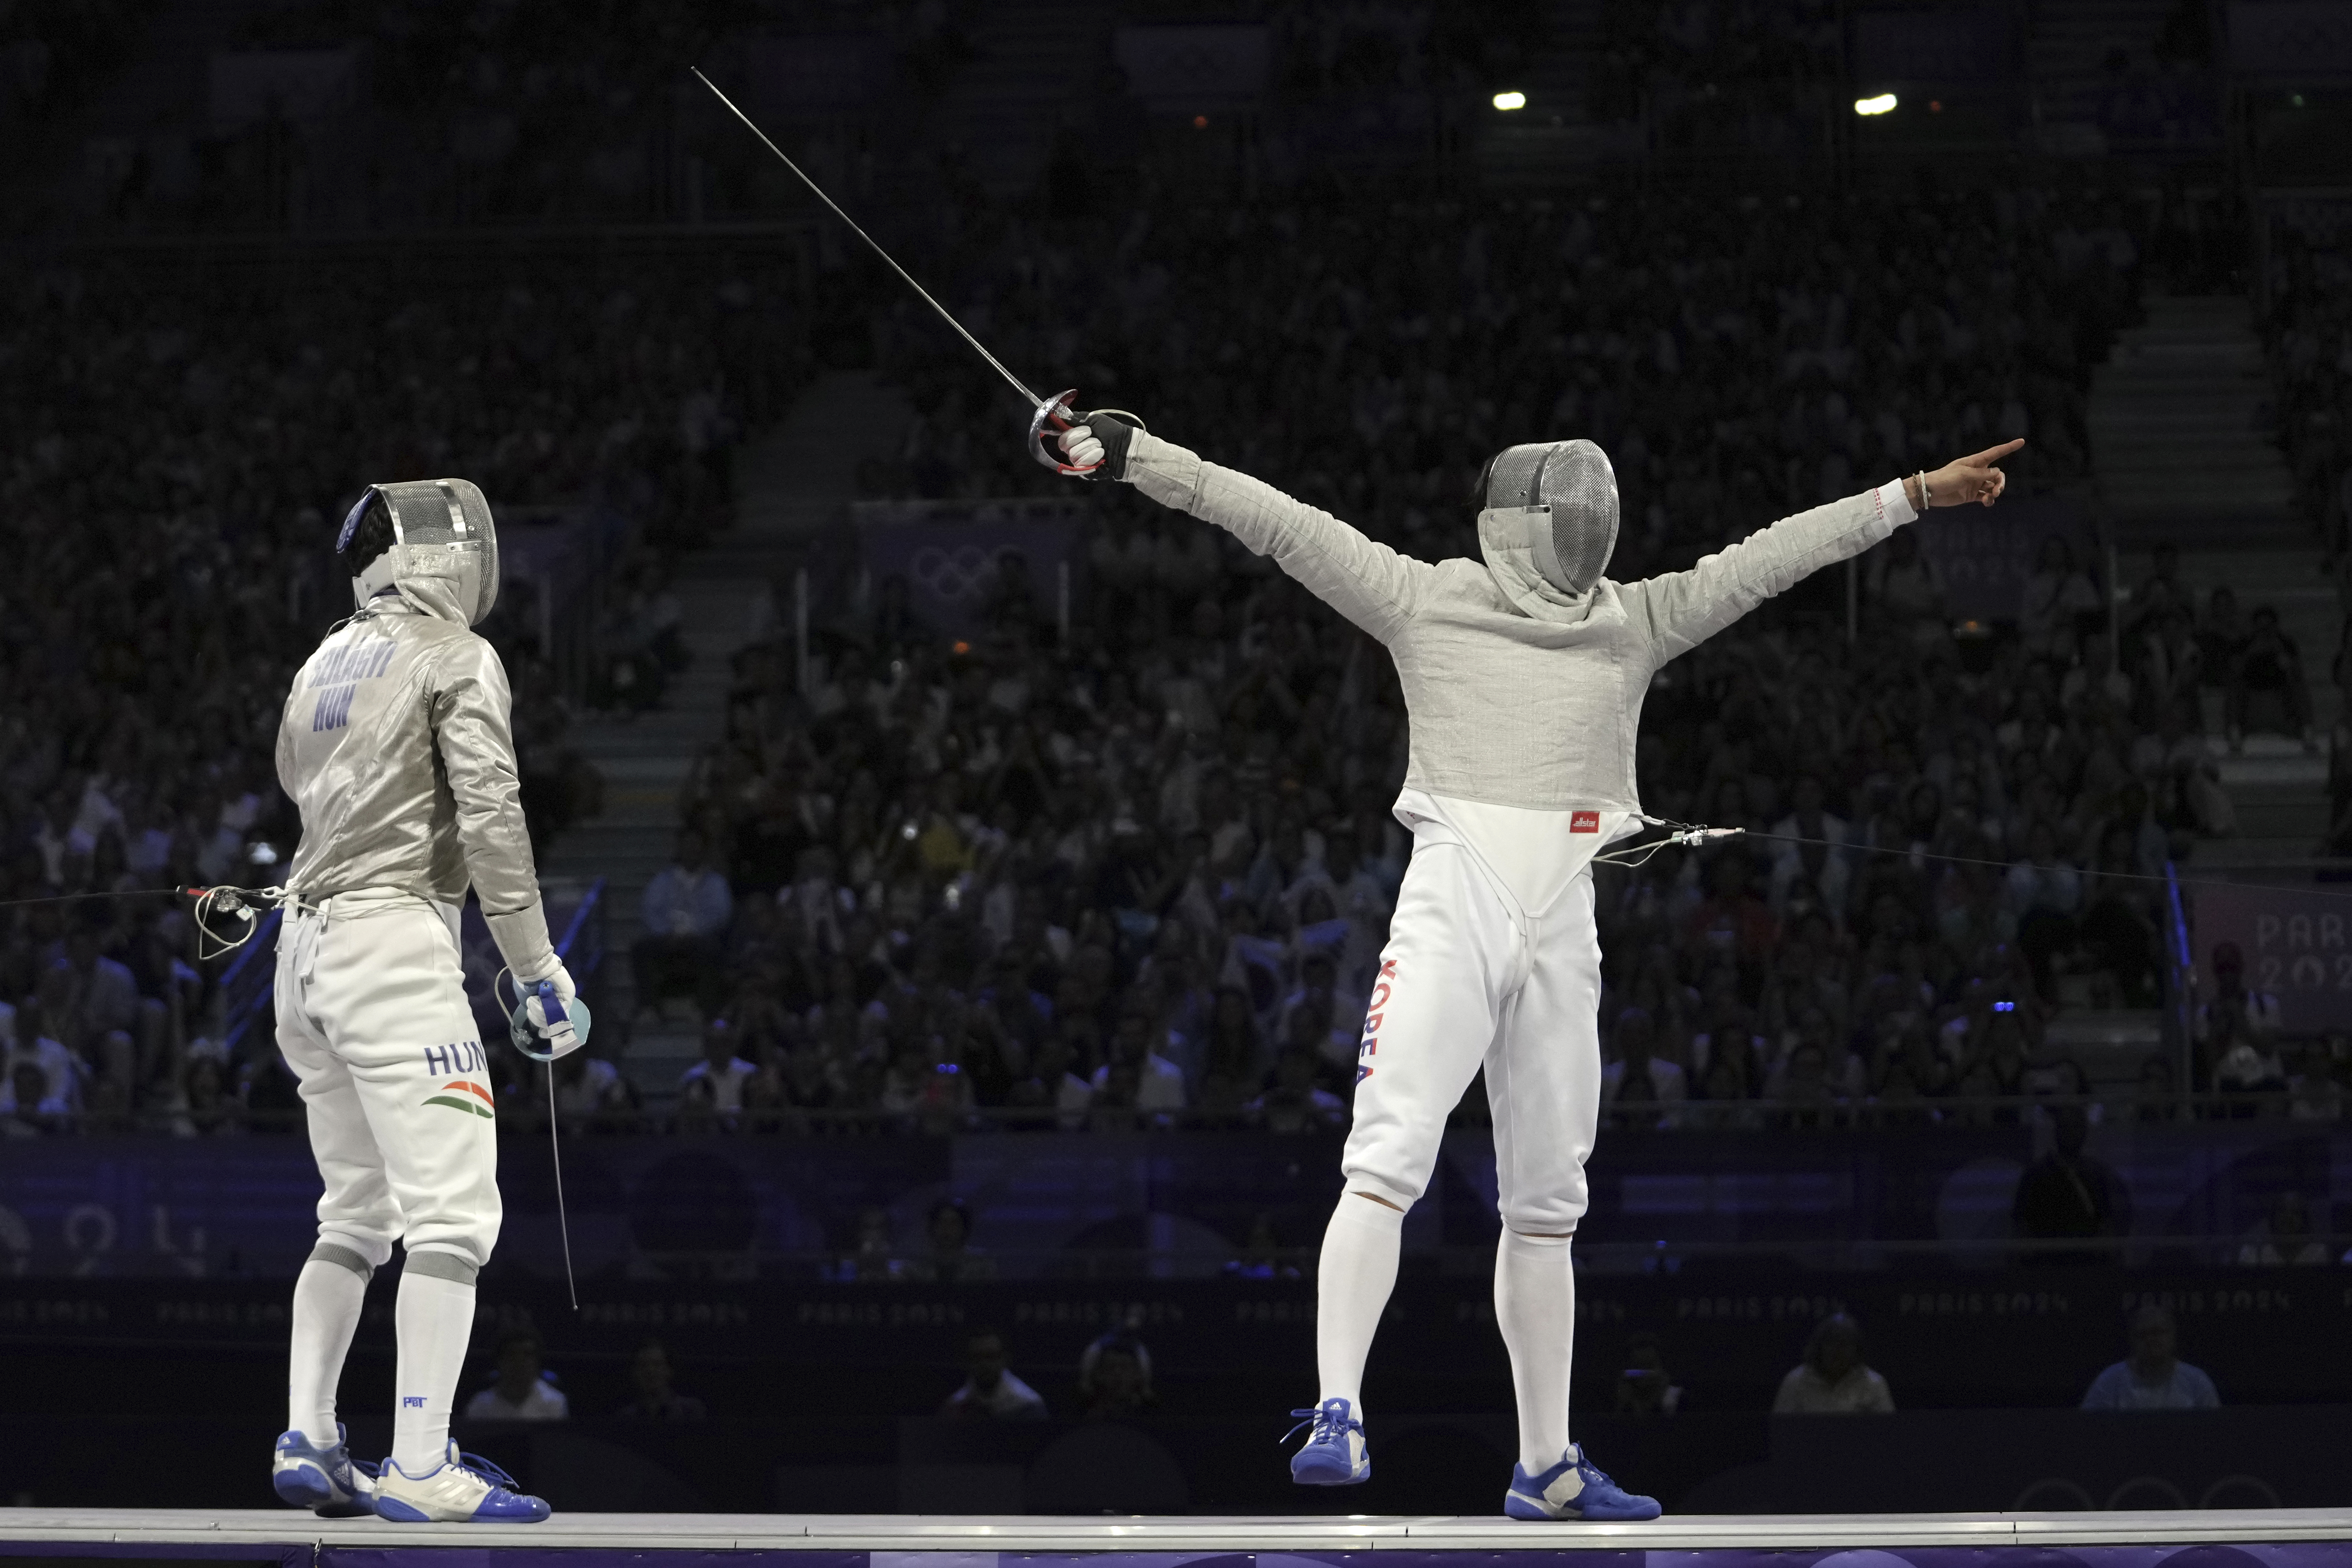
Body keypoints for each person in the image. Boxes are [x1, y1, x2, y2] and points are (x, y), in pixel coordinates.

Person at [1059, 403, 2019, 1520]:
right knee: (1388, 1161)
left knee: (1549, 1205)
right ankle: (1338, 1406)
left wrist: (1915, 495)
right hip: (1456, 906)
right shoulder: (1443, 604)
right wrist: (1137, 456)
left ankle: (1547, 1463)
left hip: (1563, 920)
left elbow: (1773, 558)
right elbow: (1270, 517)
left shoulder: (1617, 617)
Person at [270, 481, 569, 1524]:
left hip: (301, 954)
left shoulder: (321, 662)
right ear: (449, 552)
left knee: (355, 1210)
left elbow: (299, 784)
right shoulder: (456, 654)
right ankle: (419, 1462)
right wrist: (536, 965)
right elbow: (492, 815)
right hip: (392, 948)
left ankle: (311, 1436)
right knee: (454, 1214)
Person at [2010, 1105, 2129, 1265]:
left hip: (2089, 1263)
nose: (2070, 1132)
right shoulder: (2036, 1173)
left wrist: (2105, 1250)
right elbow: (2021, 1223)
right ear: (2056, 1131)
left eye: (2076, 1127)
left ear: (2085, 1133)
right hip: (2045, 1263)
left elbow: (2113, 1220)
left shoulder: (2099, 1174)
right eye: (2065, 1127)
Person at [634, 831, 733, 1018]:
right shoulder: (662, 881)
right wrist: (667, 933)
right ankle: (649, 1008)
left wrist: (693, 932)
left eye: (696, 845)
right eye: (688, 845)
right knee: (641, 950)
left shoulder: (716, 883)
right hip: (667, 938)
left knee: (713, 950)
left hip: (700, 939)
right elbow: (650, 911)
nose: (692, 850)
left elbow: (720, 914)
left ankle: (707, 1010)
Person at [2080, 1304, 2220, 1410]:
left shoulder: (2197, 1381)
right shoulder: (2110, 1381)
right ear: (2132, 1340)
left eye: (2157, 1332)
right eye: (2142, 1334)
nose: (2150, 1340)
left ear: (2173, 1336)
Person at [1772, 1313, 1896, 1415]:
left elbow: (1889, 1431)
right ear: (1819, 1347)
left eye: (1845, 1345)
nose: (1838, 1352)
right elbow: (1780, 1430)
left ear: (1857, 1350)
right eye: (1831, 1343)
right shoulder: (1794, 1382)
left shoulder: (1875, 1384)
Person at [939, 1327, 1048, 1419]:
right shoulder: (955, 1406)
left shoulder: (1029, 1406)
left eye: (991, 1357)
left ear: (1005, 1359)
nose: (984, 1364)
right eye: (977, 1358)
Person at [464, 1328, 571, 1421]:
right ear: (500, 1361)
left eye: (527, 1355)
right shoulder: (480, 1405)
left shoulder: (555, 1402)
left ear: (538, 1361)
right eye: (512, 1355)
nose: (519, 1362)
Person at [614, 1340, 709, 1422]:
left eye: (657, 1365)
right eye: (643, 1365)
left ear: (669, 1370)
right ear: (635, 1373)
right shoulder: (627, 1416)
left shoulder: (690, 1410)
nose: (650, 1371)